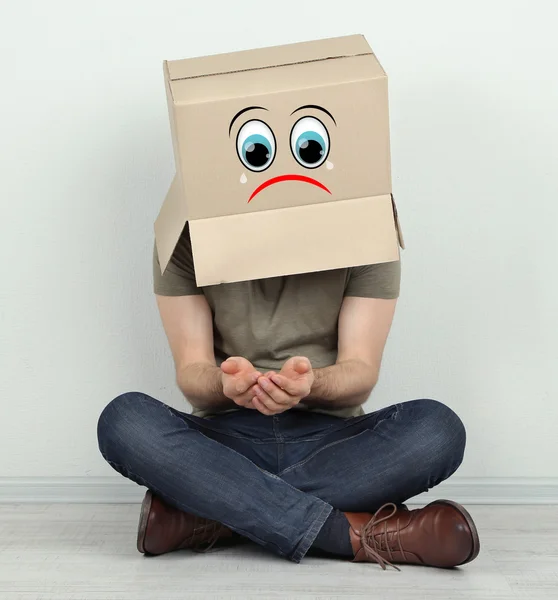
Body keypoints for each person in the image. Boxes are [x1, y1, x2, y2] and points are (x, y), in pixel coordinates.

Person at [97, 225, 479, 569]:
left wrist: (312, 384)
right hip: (224, 443)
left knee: (438, 429)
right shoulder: (184, 234)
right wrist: (225, 385)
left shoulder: (367, 225)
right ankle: (351, 537)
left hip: (334, 444)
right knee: (124, 419)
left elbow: (360, 371)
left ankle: (215, 514)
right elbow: (192, 372)